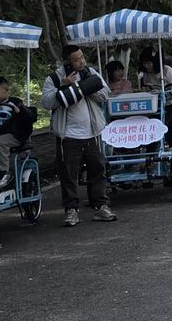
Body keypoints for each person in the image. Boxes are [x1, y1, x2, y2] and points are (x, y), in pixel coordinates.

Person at [41, 44, 116, 227]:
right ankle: (71, 210)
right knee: (68, 173)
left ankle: (101, 206)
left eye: (82, 57)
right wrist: (63, 87)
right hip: (67, 134)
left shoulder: (90, 72)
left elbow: (105, 93)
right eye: (76, 59)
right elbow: (46, 102)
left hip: (91, 131)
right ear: (67, 62)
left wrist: (86, 87)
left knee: (97, 169)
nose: (81, 61)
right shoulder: (54, 78)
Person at [0, 76, 36, 191]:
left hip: (16, 135)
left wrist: (19, 111)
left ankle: (4, 173)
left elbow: (30, 117)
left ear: (5, 89)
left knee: (0, 142)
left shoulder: (16, 103)